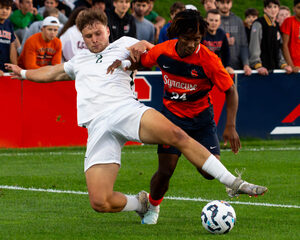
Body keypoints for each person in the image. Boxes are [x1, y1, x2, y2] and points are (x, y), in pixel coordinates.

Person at [6, 8, 267, 221]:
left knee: (176, 134)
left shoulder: (125, 43)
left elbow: (164, 51)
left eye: (98, 33)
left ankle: (233, 182)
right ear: (82, 38)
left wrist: (140, 53)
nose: (94, 39)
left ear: (108, 30)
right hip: (96, 126)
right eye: (88, 36)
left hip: (125, 110)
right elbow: (52, 72)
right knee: (100, 201)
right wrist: (24, 73)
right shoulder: (78, 61)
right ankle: (141, 204)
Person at [108, 9, 268, 224]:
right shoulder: (163, 51)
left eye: (197, 39)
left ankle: (229, 183)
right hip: (171, 119)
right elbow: (141, 61)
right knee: (165, 171)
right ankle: (152, 208)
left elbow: (230, 91)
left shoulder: (209, 60)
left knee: (209, 173)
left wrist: (230, 125)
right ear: (177, 35)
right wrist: (124, 62)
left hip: (201, 120)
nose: (192, 44)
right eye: (187, 39)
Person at [249, 0, 292, 75]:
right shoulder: (258, 23)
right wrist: (258, 65)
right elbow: (254, 47)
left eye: (275, 7)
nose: (273, 10)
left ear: (278, 9)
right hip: (260, 71)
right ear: (265, 9)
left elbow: (279, 48)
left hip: (274, 69)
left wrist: (283, 65)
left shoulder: (276, 25)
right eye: (270, 7)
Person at [215, 0, 252, 75]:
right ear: (217, 3)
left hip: (237, 67)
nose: (225, 5)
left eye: (228, 2)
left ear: (231, 4)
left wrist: (246, 64)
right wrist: (224, 42)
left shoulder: (238, 21)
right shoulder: (213, 21)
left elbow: (243, 45)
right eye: (222, 2)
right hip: (217, 68)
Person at [281, 0, 300, 73]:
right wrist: (291, 65)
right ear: (294, 9)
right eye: (299, 7)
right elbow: (284, 45)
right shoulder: (289, 21)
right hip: (293, 67)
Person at [0, 0, 18, 76]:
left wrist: (15, 67)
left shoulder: (9, 24)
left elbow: (12, 47)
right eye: (1, 8)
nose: (4, 11)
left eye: (7, 8)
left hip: (4, 69)